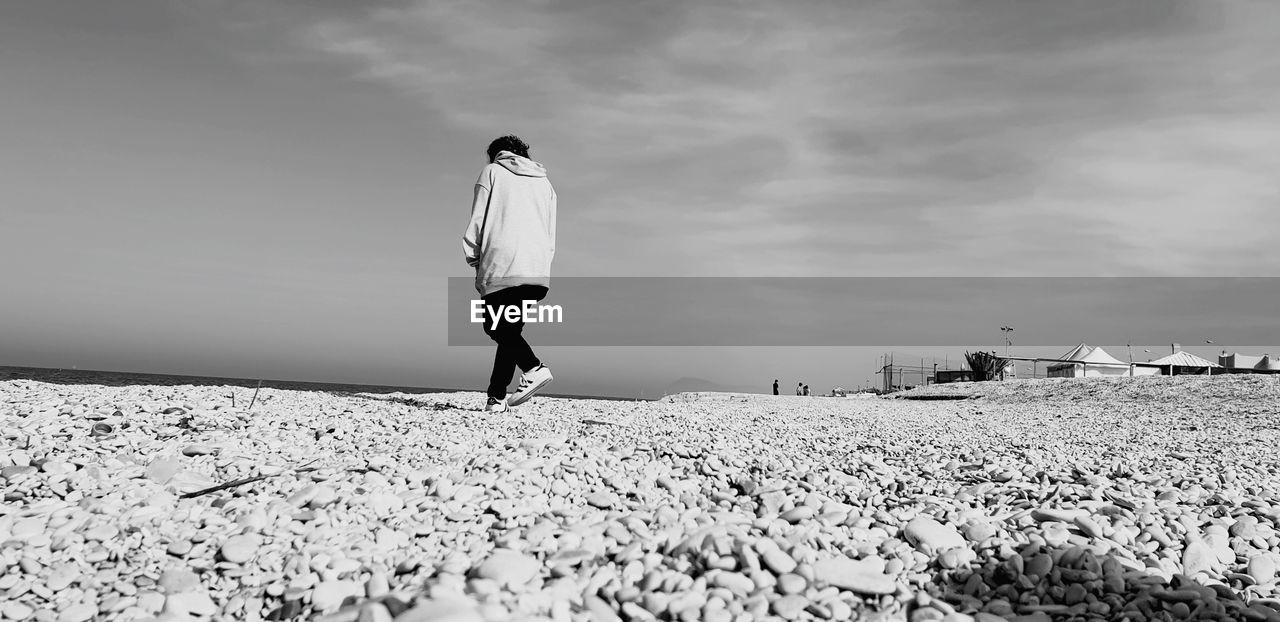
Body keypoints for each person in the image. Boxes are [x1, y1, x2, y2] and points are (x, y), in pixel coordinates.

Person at [463, 135, 557, 413]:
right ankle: (496, 397)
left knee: (495, 327)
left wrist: (473, 256)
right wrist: (544, 262)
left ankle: (533, 367)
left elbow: (478, 218)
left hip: (502, 262)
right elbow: (550, 229)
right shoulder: (545, 183)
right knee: (510, 330)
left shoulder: (492, 172)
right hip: (536, 266)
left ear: (496, 154)